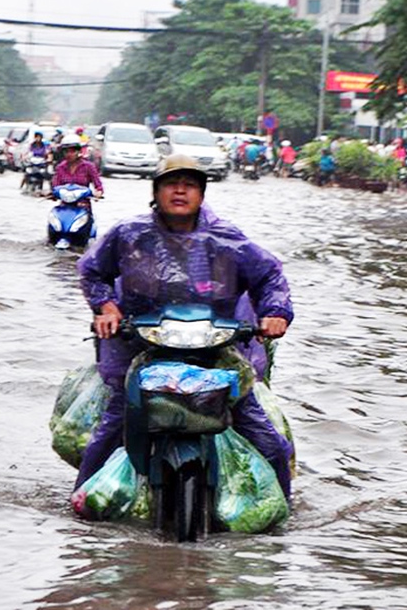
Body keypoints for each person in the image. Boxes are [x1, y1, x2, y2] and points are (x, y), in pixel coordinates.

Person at [76, 153, 294, 503]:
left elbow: (269, 275)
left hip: (216, 352)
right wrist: (106, 307)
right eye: (171, 184)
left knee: (270, 444)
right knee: (108, 434)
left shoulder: (227, 237)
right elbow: (91, 270)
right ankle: (80, 510)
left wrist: (276, 313)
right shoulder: (129, 234)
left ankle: (281, 512)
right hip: (141, 347)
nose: (180, 191)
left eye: (189, 184)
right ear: (156, 191)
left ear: (202, 193)